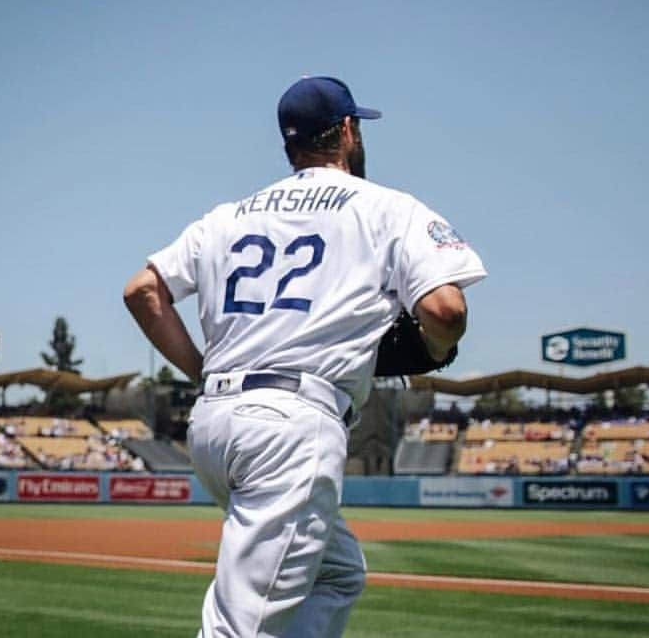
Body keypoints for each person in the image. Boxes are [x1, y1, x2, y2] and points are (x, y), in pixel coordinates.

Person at [123, 76, 486, 638]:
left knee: (336, 574)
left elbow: (142, 291)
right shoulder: (388, 208)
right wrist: (435, 351)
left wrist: (204, 373)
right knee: (240, 628)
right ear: (346, 131)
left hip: (216, 426)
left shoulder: (228, 215)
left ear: (289, 145)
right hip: (290, 424)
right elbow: (445, 311)